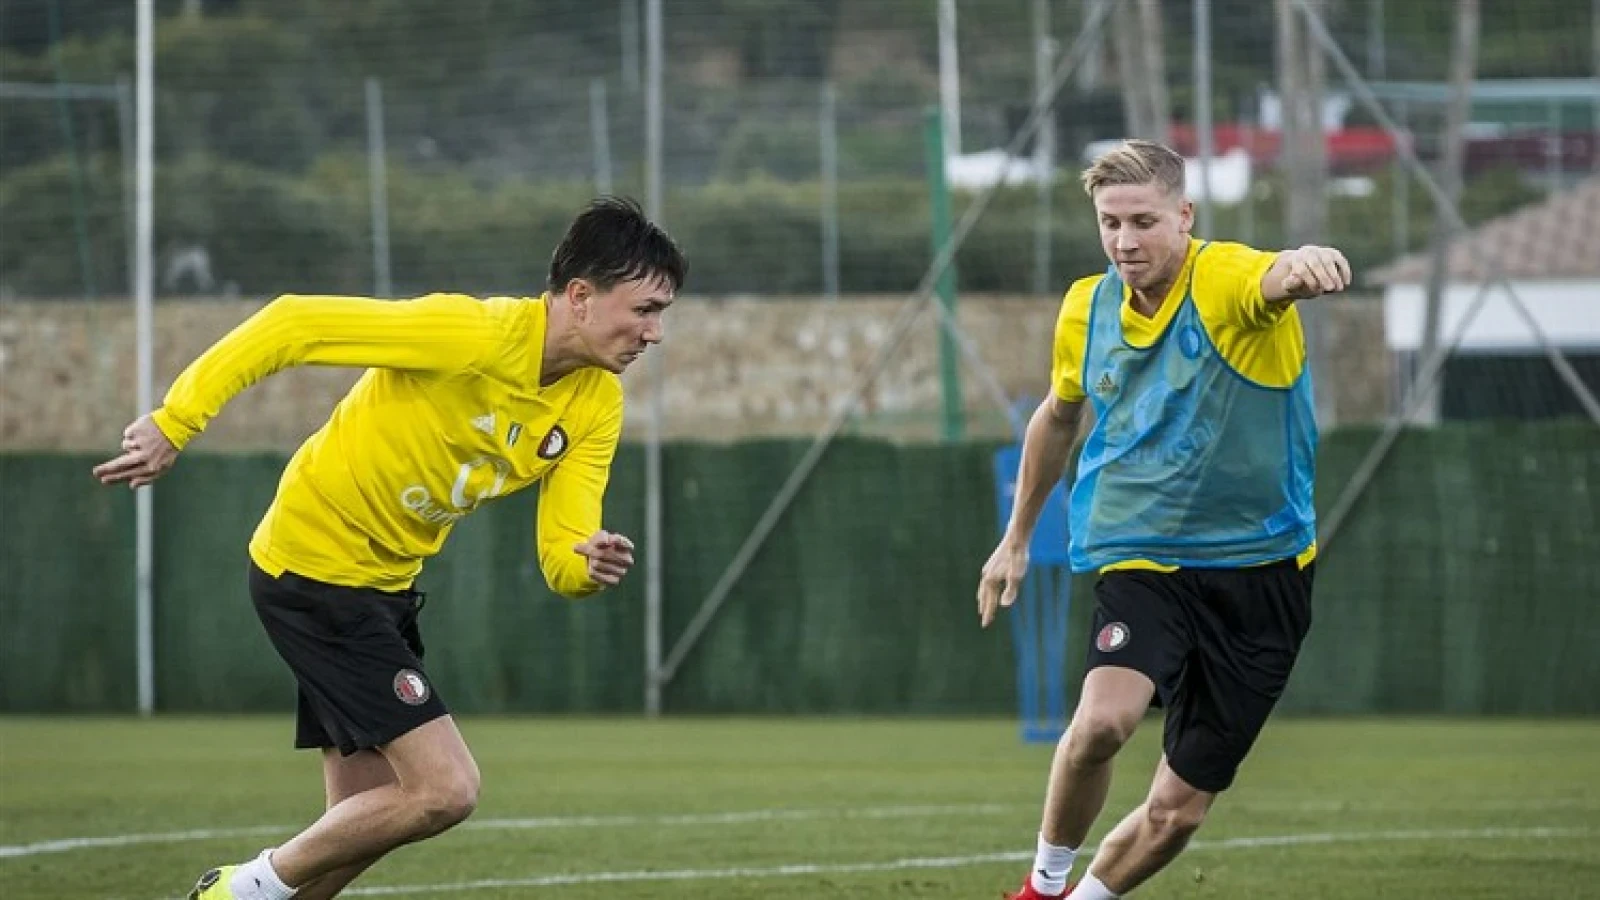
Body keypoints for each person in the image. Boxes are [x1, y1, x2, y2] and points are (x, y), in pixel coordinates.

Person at [93, 197, 686, 900]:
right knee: (446, 789)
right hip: (312, 570)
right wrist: (175, 420)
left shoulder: (596, 405)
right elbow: (294, 323)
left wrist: (585, 564)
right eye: (644, 309)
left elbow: (561, 547)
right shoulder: (471, 335)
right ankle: (231, 891)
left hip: (385, 590)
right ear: (581, 297)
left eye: (662, 315)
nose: (653, 333)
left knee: (355, 830)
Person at [977, 140, 1351, 900]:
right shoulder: (1087, 305)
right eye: (1110, 223)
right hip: (1140, 552)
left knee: (1177, 813)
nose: (1124, 241)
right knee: (1105, 723)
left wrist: (1307, 257)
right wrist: (1015, 538)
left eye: (1143, 221)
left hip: (1264, 569)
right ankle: (1043, 887)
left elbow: (1274, 276)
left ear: (1185, 216)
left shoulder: (1226, 278)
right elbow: (1058, 415)